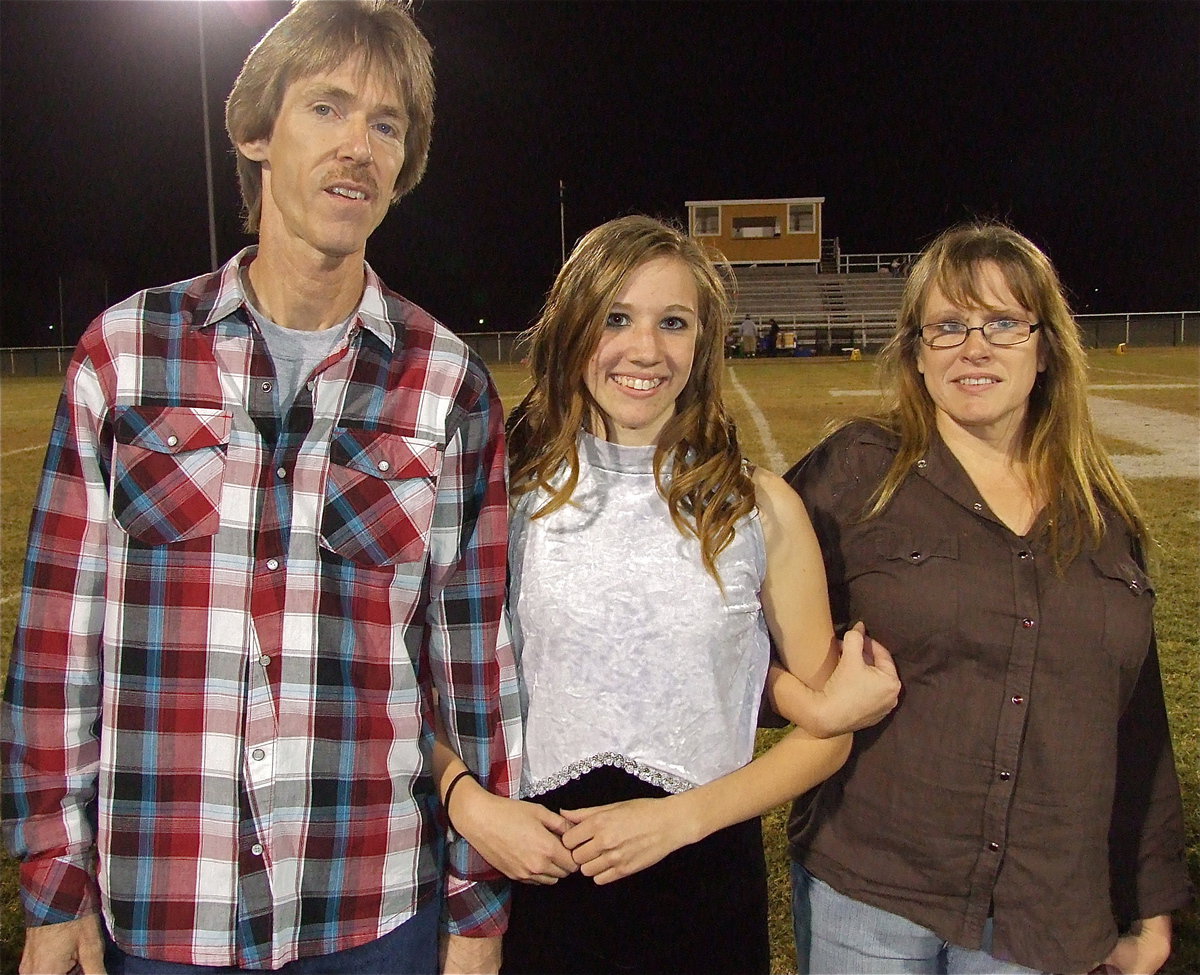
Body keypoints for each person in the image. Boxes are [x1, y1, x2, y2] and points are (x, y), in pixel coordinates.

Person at [1, 3, 521, 973]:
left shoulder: (449, 385)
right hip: (165, 915)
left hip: (375, 913)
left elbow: (476, 674)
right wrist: (51, 884)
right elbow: (56, 647)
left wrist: (477, 915)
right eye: (326, 108)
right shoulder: (125, 357)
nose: (357, 147)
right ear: (254, 131)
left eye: (386, 123)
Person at [434, 215, 901, 974]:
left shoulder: (761, 507)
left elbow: (831, 731)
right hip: (537, 881)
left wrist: (680, 820)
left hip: (703, 887)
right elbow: (427, 685)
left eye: (673, 322)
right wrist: (469, 805)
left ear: (703, 343)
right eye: (616, 317)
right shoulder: (505, 493)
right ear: (572, 326)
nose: (645, 349)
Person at [786, 222, 1191, 975]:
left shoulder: (1104, 515)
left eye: (1004, 322)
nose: (976, 346)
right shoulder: (854, 471)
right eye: (948, 326)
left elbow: (1138, 719)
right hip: (871, 888)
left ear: (1045, 347)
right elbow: (734, 631)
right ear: (916, 351)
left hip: (1046, 906)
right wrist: (809, 701)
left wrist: (1152, 898)